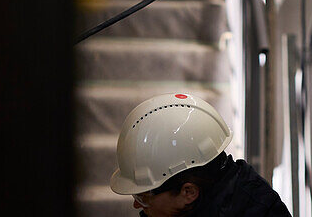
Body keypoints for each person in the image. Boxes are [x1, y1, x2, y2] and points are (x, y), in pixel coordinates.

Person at [110, 93, 292, 217]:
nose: (136, 205)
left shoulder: (254, 209)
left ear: (188, 192)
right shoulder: (209, 199)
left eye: (142, 197)